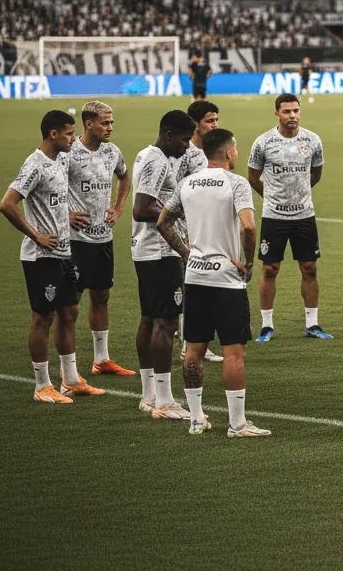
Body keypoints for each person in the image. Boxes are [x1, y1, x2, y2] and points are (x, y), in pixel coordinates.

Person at [158, 127, 271, 438]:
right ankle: (237, 424)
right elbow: (248, 227)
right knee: (234, 351)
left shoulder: (187, 183)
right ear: (228, 152)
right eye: (235, 148)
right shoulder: (236, 184)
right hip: (226, 278)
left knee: (193, 349)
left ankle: (196, 418)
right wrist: (247, 263)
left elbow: (162, 221)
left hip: (195, 275)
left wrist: (186, 251)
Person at [0, 110, 105, 404]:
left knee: (69, 312)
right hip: (40, 256)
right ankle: (42, 384)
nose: (74, 139)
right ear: (53, 134)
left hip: (64, 252)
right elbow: (7, 204)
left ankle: (70, 380)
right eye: (70, 134)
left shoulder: (60, 159)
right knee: (42, 317)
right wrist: (36, 236)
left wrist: (65, 215)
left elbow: (52, 199)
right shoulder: (35, 165)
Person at [249, 93, 330, 342]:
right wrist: (272, 196)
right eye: (286, 111)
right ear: (277, 114)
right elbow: (253, 176)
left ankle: (312, 324)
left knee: (309, 267)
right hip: (274, 216)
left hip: (304, 214)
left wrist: (301, 194)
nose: (292, 115)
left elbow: (316, 173)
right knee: (270, 269)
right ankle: (266, 325)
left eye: (296, 110)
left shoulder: (312, 140)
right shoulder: (263, 143)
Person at [131, 109, 195, 419]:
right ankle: (165, 400)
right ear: (168, 134)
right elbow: (141, 208)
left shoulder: (145, 154)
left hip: (145, 250)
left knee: (149, 318)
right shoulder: (157, 160)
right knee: (166, 323)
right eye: (184, 140)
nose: (187, 146)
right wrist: (177, 216)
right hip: (160, 252)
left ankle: (149, 395)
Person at [66, 100, 133, 376]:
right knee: (70, 304)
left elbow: (125, 177)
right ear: (88, 123)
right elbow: (51, 187)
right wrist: (65, 215)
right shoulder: (69, 152)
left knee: (101, 295)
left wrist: (118, 209)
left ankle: (101, 359)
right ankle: (67, 368)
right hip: (75, 239)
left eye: (112, 122)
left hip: (102, 238)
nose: (110, 127)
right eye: (105, 123)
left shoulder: (111, 151)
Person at [175, 100, 223, 363]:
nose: (215, 125)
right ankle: (189, 344)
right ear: (195, 125)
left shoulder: (210, 150)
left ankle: (194, 341)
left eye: (216, 120)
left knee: (199, 286)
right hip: (186, 229)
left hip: (206, 227)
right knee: (191, 287)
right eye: (209, 121)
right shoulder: (184, 152)